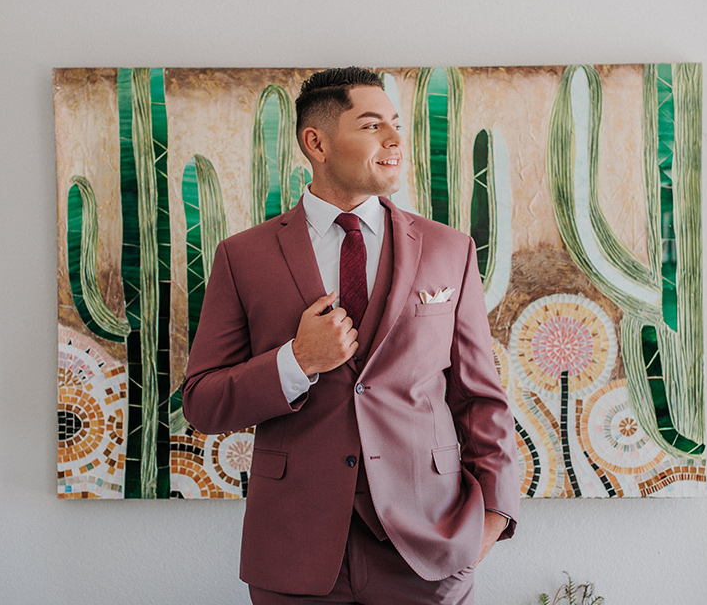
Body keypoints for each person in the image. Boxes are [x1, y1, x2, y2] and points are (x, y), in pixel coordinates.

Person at [182, 66, 519, 604]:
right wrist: (295, 361)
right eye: (370, 125)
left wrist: (495, 519)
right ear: (315, 142)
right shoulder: (242, 257)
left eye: (395, 124)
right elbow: (201, 403)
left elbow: (481, 399)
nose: (393, 140)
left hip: (428, 549)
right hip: (296, 550)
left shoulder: (449, 250)